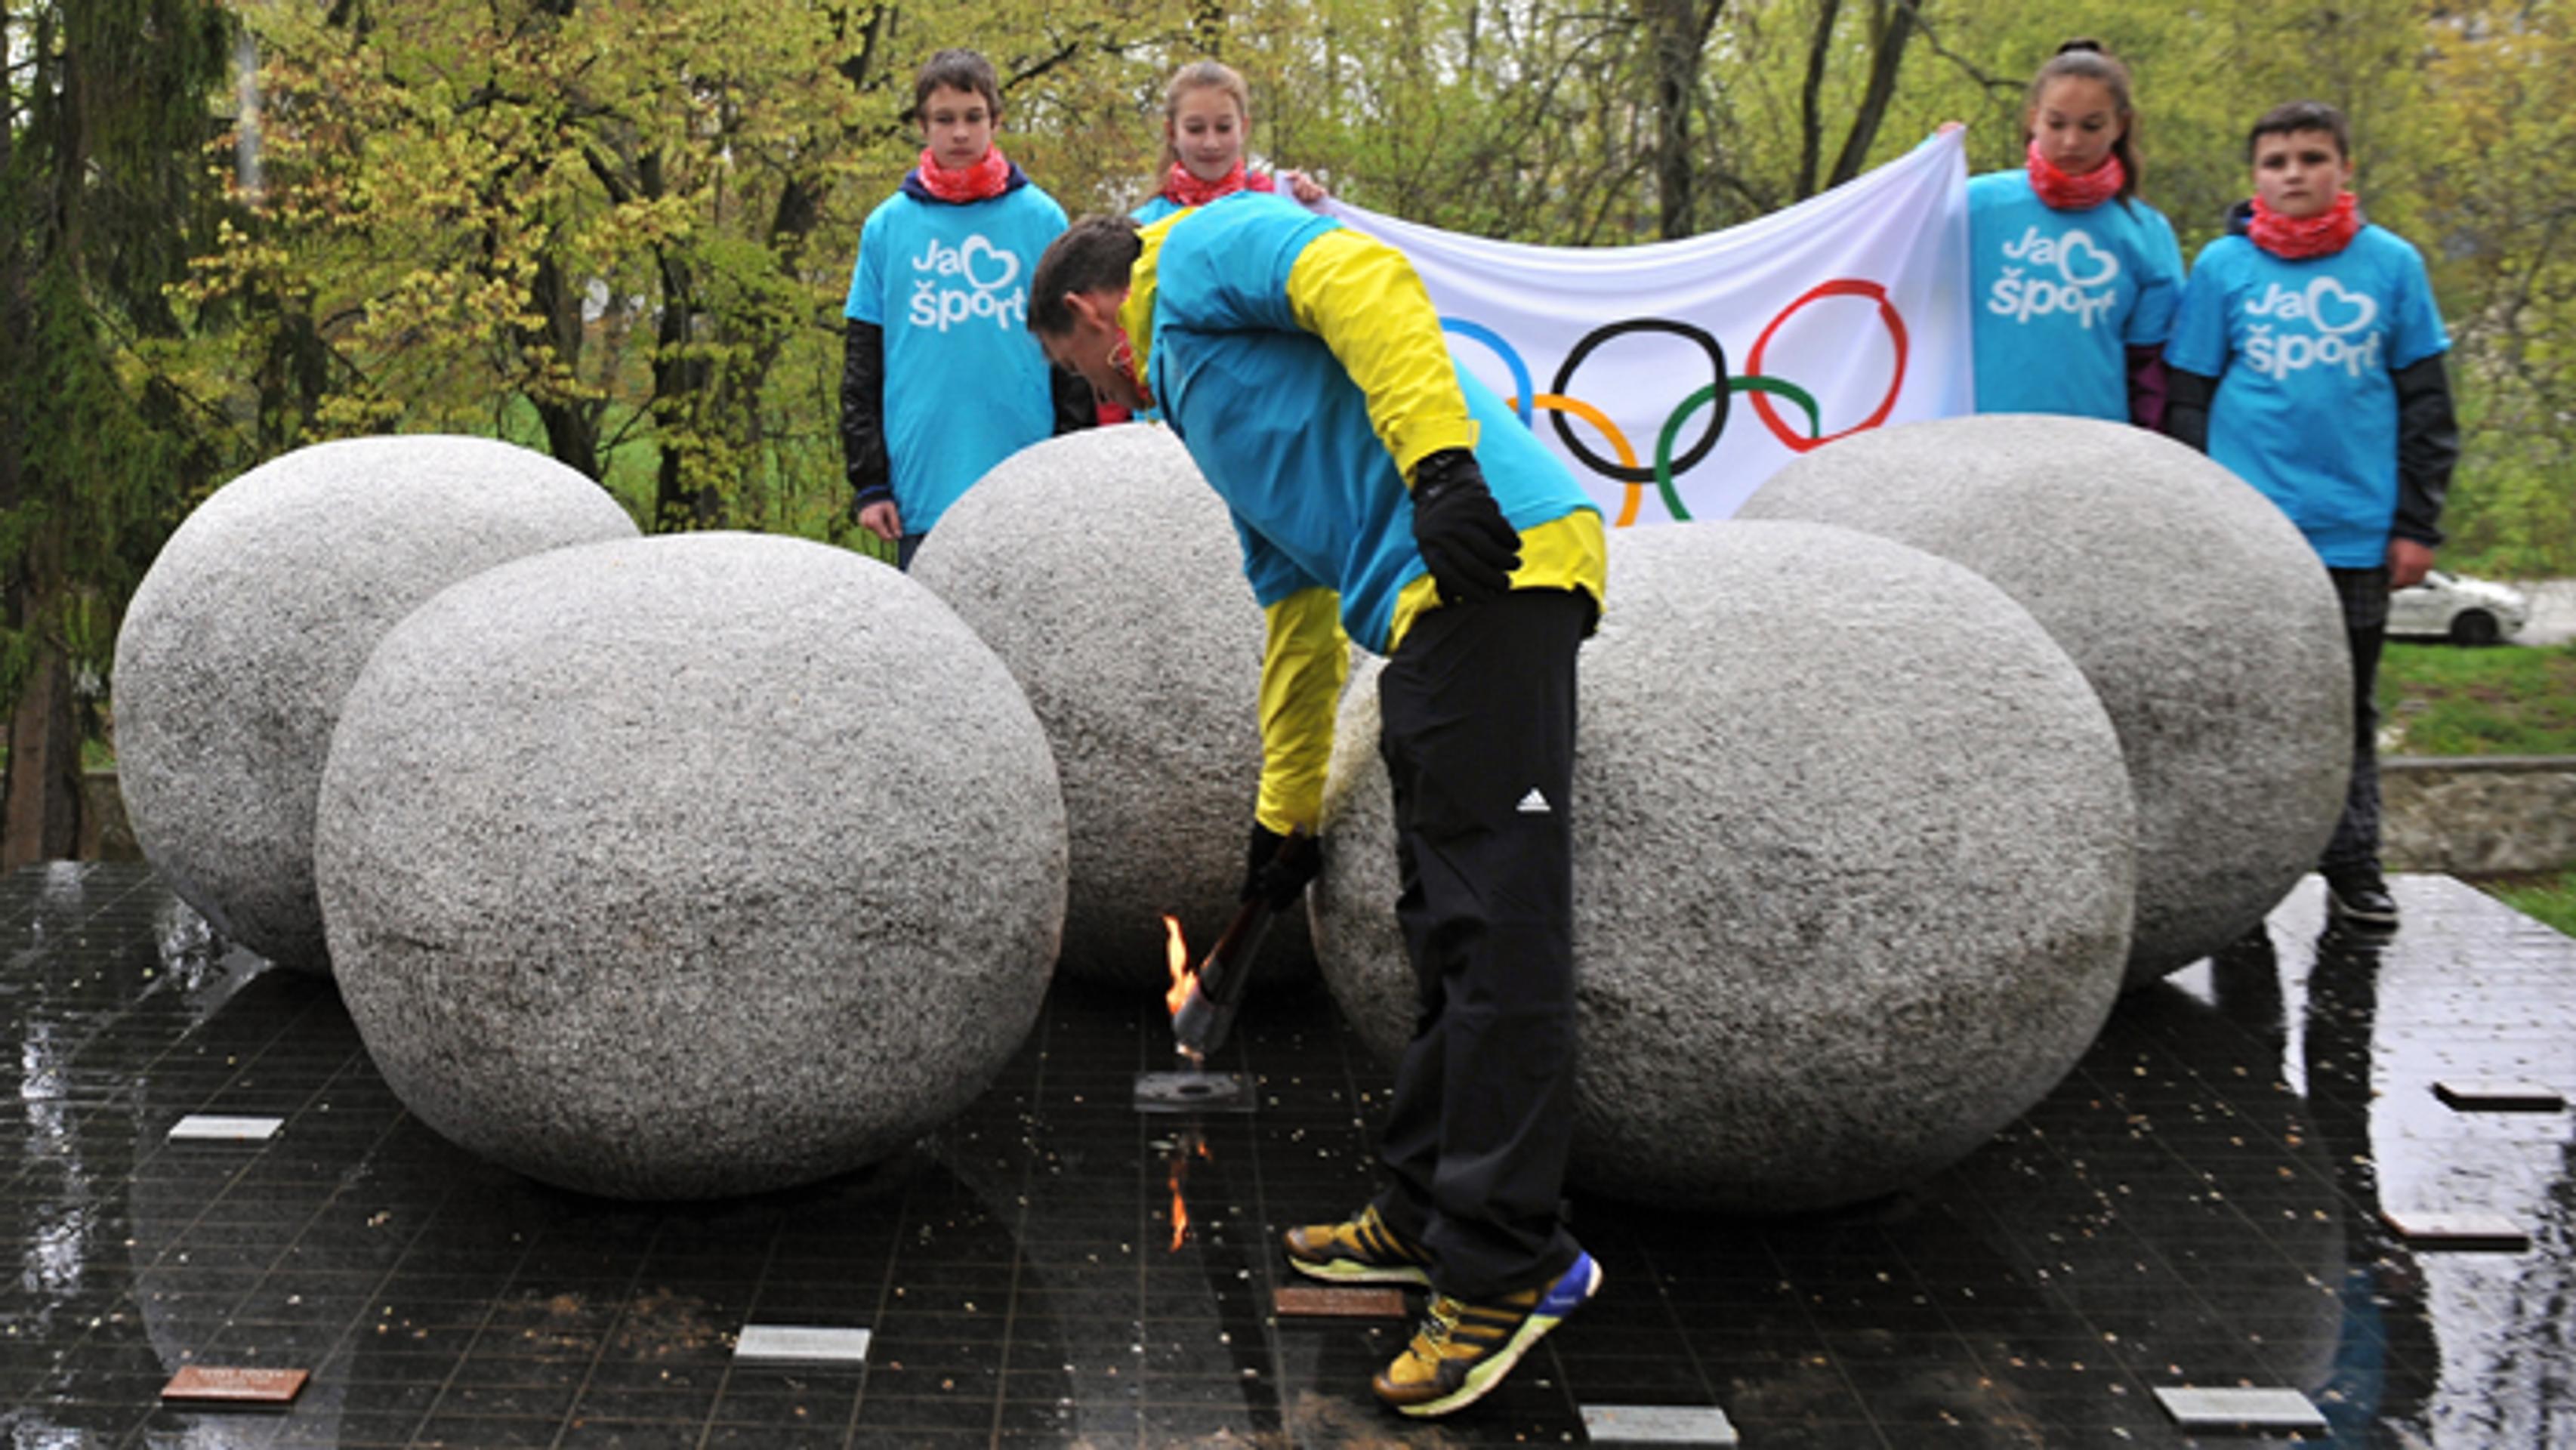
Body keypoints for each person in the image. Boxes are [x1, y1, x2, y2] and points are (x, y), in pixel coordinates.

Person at [1029, 195, 1607, 1418]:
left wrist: (1440, 466)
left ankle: (1510, 1267)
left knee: (1497, 939)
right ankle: (1421, 1211)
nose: (1093, 391)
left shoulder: (1195, 253)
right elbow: (1295, 614)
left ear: (1090, 313)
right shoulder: (1204, 409)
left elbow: (1366, 282)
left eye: (1075, 367)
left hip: (1496, 569)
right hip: (1427, 615)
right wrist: (1280, 820)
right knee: (1440, 924)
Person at [2164, 99, 2457, 932]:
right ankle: (2234, 878)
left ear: (2343, 169)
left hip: (2354, 532)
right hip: (2245, 534)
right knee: (2235, 706)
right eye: (2276, 162)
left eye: (2312, 158)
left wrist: (2416, 526)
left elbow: (2427, 408)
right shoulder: (2222, 267)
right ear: (2255, 177)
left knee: (2346, 709)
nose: (2294, 174)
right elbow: (2187, 398)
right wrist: (2191, 510)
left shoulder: (2392, 265)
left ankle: (2354, 865)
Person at [840, 48, 1091, 569]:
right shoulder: (886, 228)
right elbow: (863, 365)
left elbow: (1075, 360)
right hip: (922, 486)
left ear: (995, 121)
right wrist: (870, 482)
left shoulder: (1042, 219)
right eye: (944, 119)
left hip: (1027, 482)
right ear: (922, 126)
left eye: (974, 117)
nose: (960, 133)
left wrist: (1072, 465)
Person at [1966, 39, 2186, 427]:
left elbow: (2150, 368)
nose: (2071, 141)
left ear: (2120, 125)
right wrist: (1929, 164)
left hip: (2095, 442)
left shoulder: (2146, 231)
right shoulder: (1974, 205)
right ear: (2033, 119)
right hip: (1977, 435)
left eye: (2091, 126)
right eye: (2056, 124)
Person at [1131, 60, 1327, 224]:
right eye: (1195, 129)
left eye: (1224, 128)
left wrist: (1315, 209)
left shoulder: (1276, 202)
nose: (1211, 144)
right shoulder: (1145, 226)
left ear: (1243, 128)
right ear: (1172, 133)